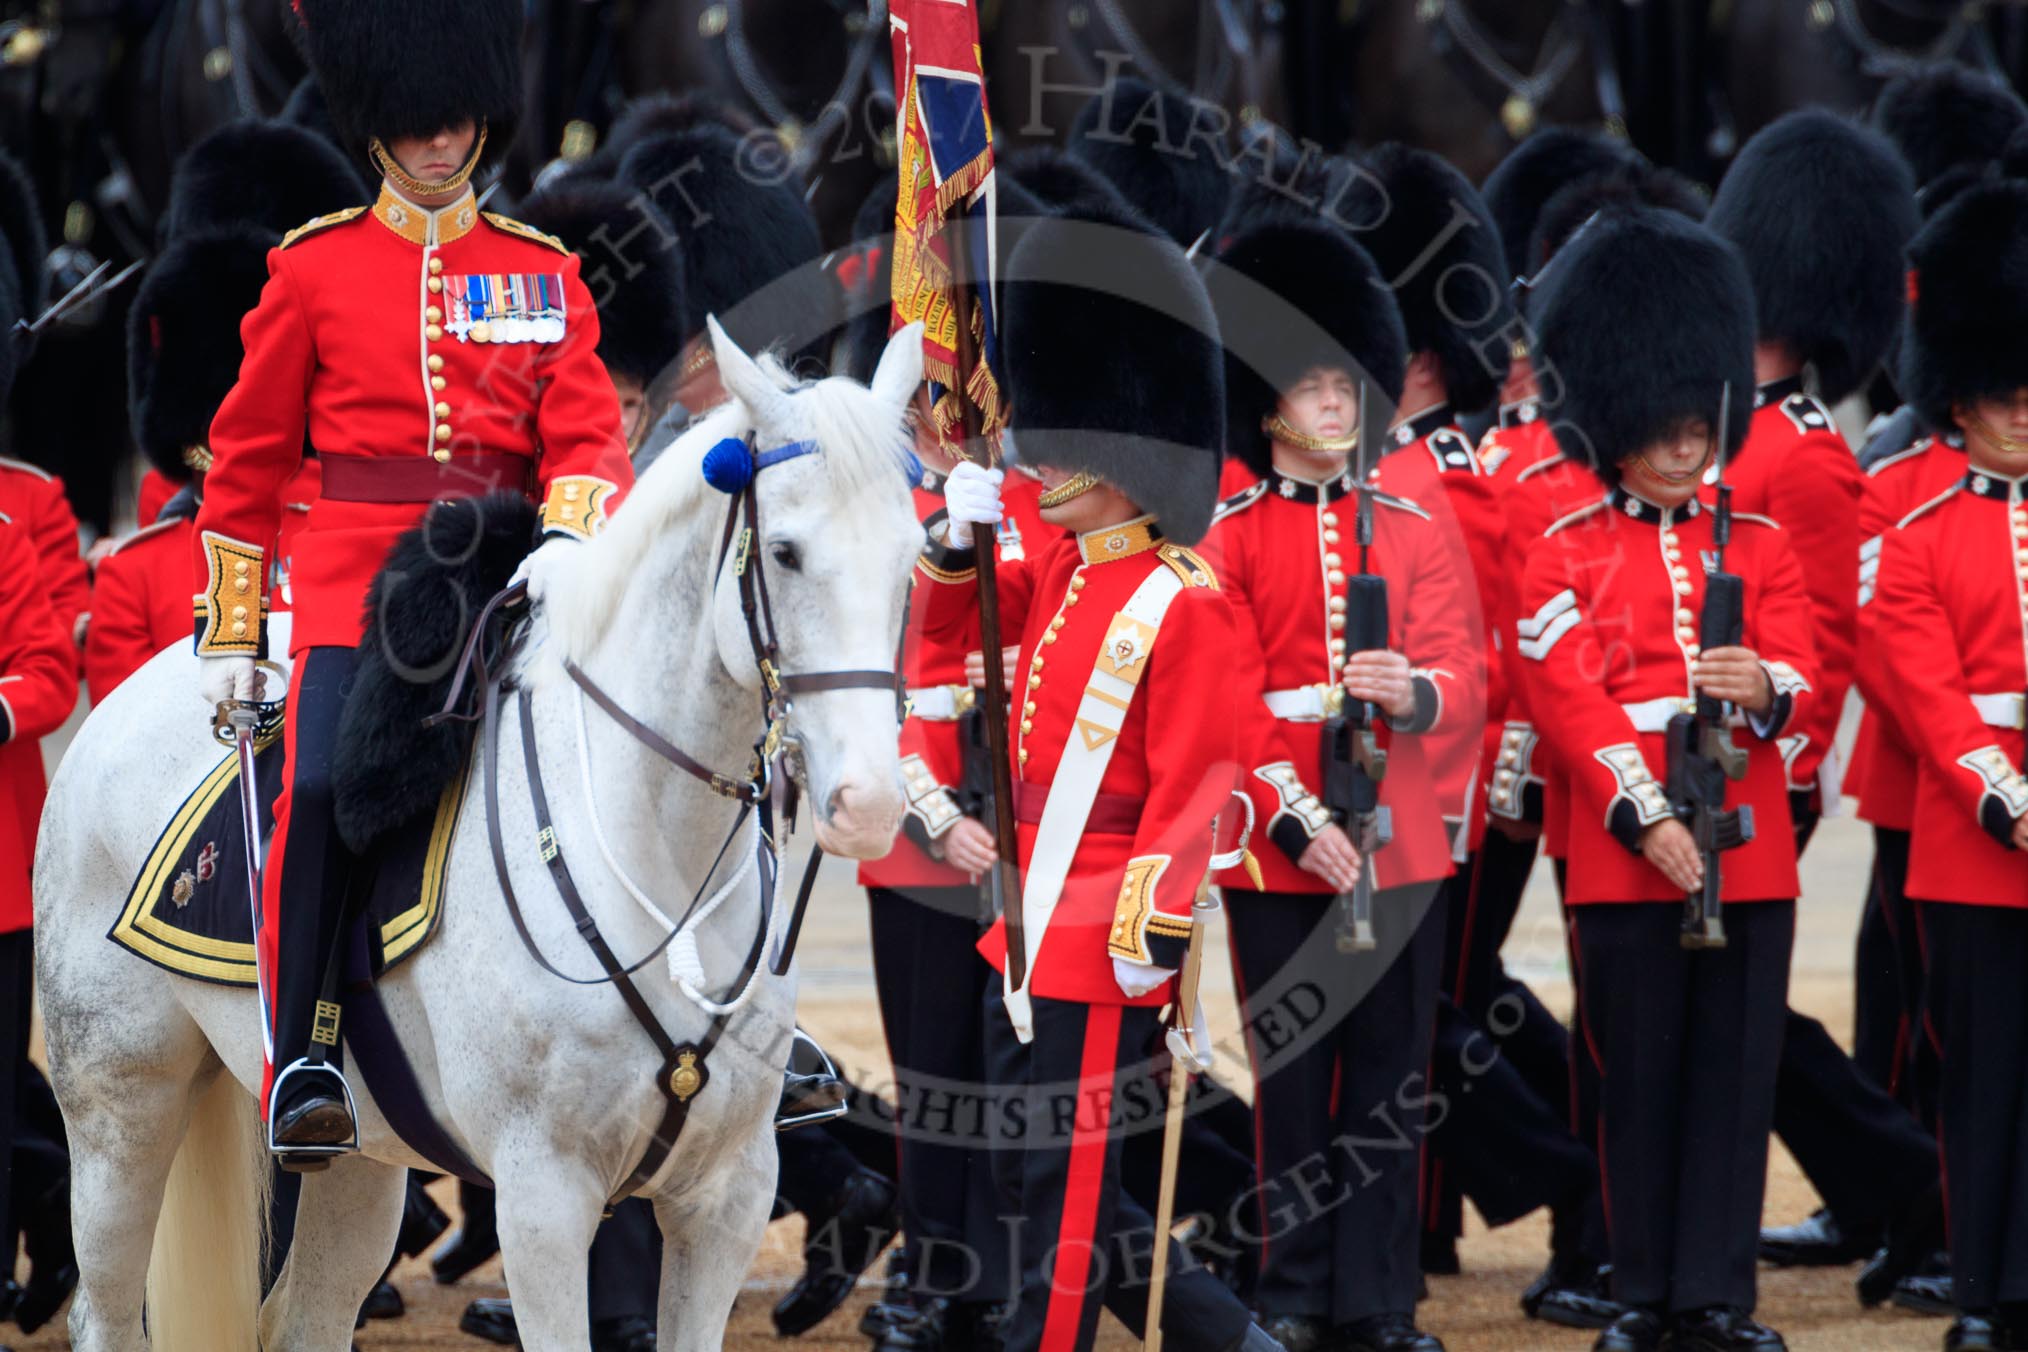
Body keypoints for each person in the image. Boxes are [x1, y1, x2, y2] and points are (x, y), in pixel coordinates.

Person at [193, 0, 632, 1158]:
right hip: (356, 578)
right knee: (331, 786)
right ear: (377, 126)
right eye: (415, 127)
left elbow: (587, 436)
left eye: (455, 125)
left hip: (508, 573)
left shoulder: (542, 275)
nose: (440, 146)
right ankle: (303, 1058)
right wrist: (234, 630)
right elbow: (245, 463)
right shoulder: (313, 267)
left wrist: (573, 534)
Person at [923, 200, 1278, 1352]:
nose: (1045, 462)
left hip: (1104, 928)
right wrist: (949, 533)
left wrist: (1149, 926)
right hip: (1024, 921)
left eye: (1072, 440)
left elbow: (1202, 783)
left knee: (1072, 1205)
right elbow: (952, 634)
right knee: (1032, 1184)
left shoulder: (1188, 595)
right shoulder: (1070, 566)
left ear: (1129, 457)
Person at [1517, 204, 1817, 1352]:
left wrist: (1765, 685)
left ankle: (1715, 1297)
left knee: (1735, 1085)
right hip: (1624, 844)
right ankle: (1640, 1292)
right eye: (1666, 424)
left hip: (1746, 841)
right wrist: (1642, 815)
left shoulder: (1763, 543)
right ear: (1615, 420)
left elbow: (1812, 678)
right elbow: (1568, 692)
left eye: (1702, 423)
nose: (1689, 444)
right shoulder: (1567, 547)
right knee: (1634, 1084)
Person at [1197, 211, 1476, 1352]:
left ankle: (1380, 1296)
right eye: (1310, 386)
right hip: (1280, 840)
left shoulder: (1412, 525)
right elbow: (1221, 700)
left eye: (1343, 383)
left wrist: (1411, 690)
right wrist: (1300, 817)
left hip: (1401, 835)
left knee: (1390, 1081)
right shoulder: (1231, 535)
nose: (1335, 403)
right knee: (1295, 1078)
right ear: (1265, 404)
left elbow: (1467, 671)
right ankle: (1296, 1286)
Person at [1868, 178, 2028, 1352]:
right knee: (1981, 1080)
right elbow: (1920, 687)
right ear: (1956, 403)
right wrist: (2008, 795)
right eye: (2000, 399)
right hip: (1974, 840)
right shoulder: (1914, 534)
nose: (2022, 414)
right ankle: (1983, 1291)